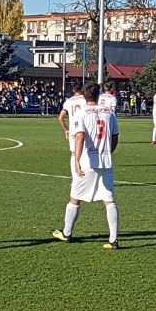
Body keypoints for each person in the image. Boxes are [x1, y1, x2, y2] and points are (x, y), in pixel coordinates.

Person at [52, 83, 120, 249]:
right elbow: (115, 136)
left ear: (84, 96)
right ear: (98, 96)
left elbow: (80, 136)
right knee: (109, 200)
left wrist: (76, 158)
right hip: (106, 161)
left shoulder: (81, 113)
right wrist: (108, 152)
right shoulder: (109, 112)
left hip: (88, 161)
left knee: (75, 197)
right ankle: (113, 239)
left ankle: (67, 233)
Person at [57, 82, 87, 176]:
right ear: (82, 89)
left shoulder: (69, 101)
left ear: (73, 90)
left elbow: (60, 117)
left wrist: (66, 129)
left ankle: (75, 177)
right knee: (85, 152)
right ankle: (85, 175)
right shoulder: (86, 100)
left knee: (74, 153)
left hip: (73, 130)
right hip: (84, 129)